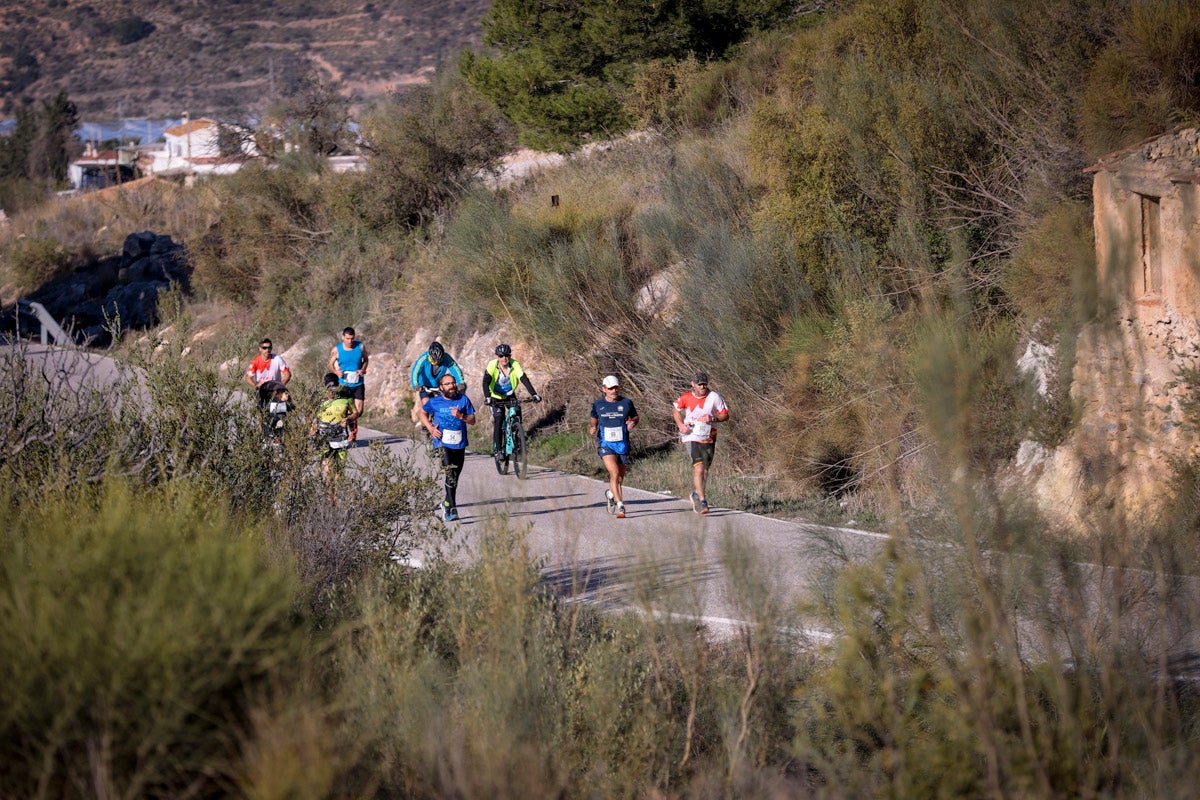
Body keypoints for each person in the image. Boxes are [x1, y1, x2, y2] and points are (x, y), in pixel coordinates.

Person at [418, 372, 476, 522]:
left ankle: (446, 503)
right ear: (441, 387)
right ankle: (453, 509)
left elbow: (473, 420)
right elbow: (422, 413)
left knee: (455, 477)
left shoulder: (463, 400)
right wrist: (431, 429)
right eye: (448, 384)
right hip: (443, 442)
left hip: (460, 443)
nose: (452, 386)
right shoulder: (435, 402)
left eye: (453, 383)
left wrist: (461, 416)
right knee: (450, 473)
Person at [672, 371, 730, 515]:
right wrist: (681, 425)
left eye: (704, 384)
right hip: (691, 436)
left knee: (705, 470)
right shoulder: (685, 397)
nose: (702, 387)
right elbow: (676, 410)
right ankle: (703, 501)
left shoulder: (714, 397)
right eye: (699, 384)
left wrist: (713, 418)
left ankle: (697, 494)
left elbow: (725, 415)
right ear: (693, 384)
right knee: (698, 469)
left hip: (709, 436)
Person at [589, 374, 638, 519]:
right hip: (606, 444)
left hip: (622, 444)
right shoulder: (598, 404)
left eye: (616, 387)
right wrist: (592, 427)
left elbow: (635, 417)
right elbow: (593, 420)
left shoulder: (627, 403)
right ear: (604, 389)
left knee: (620, 478)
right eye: (611, 388)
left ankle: (610, 494)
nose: (614, 391)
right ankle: (620, 505)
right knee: (614, 473)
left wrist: (633, 422)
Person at [482, 343, 541, 458]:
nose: (505, 358)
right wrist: (487, 397)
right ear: (497, 357)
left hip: (509, 395)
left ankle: (515, 435)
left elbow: (524, 379)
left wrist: (534, 394)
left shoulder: (515, 364)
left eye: (507, 355)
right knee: (499, 419)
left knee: (517, 410)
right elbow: (485, 382)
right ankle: (498, 450)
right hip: (494, 397)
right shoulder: (492, 365)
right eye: (501, 356)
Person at [310, 372, 358, 490]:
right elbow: (310, 415)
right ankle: (329, 497)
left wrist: (348, 419)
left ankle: (335, 500)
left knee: (339, 472)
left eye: (335, 389)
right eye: (329, 390)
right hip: (323, 438)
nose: (332, 393)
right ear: (324, 387)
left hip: (341, 437)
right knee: (329, 469)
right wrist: (312, 427)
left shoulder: (346, 395)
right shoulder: (317, 397)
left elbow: (355, 413)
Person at [410, 340, 465, 424]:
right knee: (427, 405)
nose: (437, 362)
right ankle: (425, 428)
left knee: (444, 404)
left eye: (439, 360)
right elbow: (415, 371)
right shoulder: (424, 359)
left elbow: (454, 368)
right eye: (435, 360)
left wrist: (460, 382)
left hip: (438, 386)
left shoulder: (446, 358)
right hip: (424, 386)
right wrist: (416, 384)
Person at [328, 327, 368, 442]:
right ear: (343, 337)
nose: (350, 341)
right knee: (344, 409)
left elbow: (365, 360)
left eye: (352, 338)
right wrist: (336, 372)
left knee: (358, 411)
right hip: (344, 384)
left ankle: (350, 423)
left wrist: (363, 369)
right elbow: (330, 364)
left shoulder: (360, 347)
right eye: (347, 338)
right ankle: (351, 432)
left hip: (358, 383)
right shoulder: (337, 349)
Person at [245, 338, 291, 408]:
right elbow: (248, 378)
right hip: (262, 392)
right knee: (263, 414)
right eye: (264, 348)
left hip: (276, 392)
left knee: (278, 414)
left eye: (269, 347)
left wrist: (280, 386)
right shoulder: (255, 362)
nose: (267, 350)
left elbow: (287, 374)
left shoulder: (277, 359)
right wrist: (256, 385)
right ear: (259, 349)